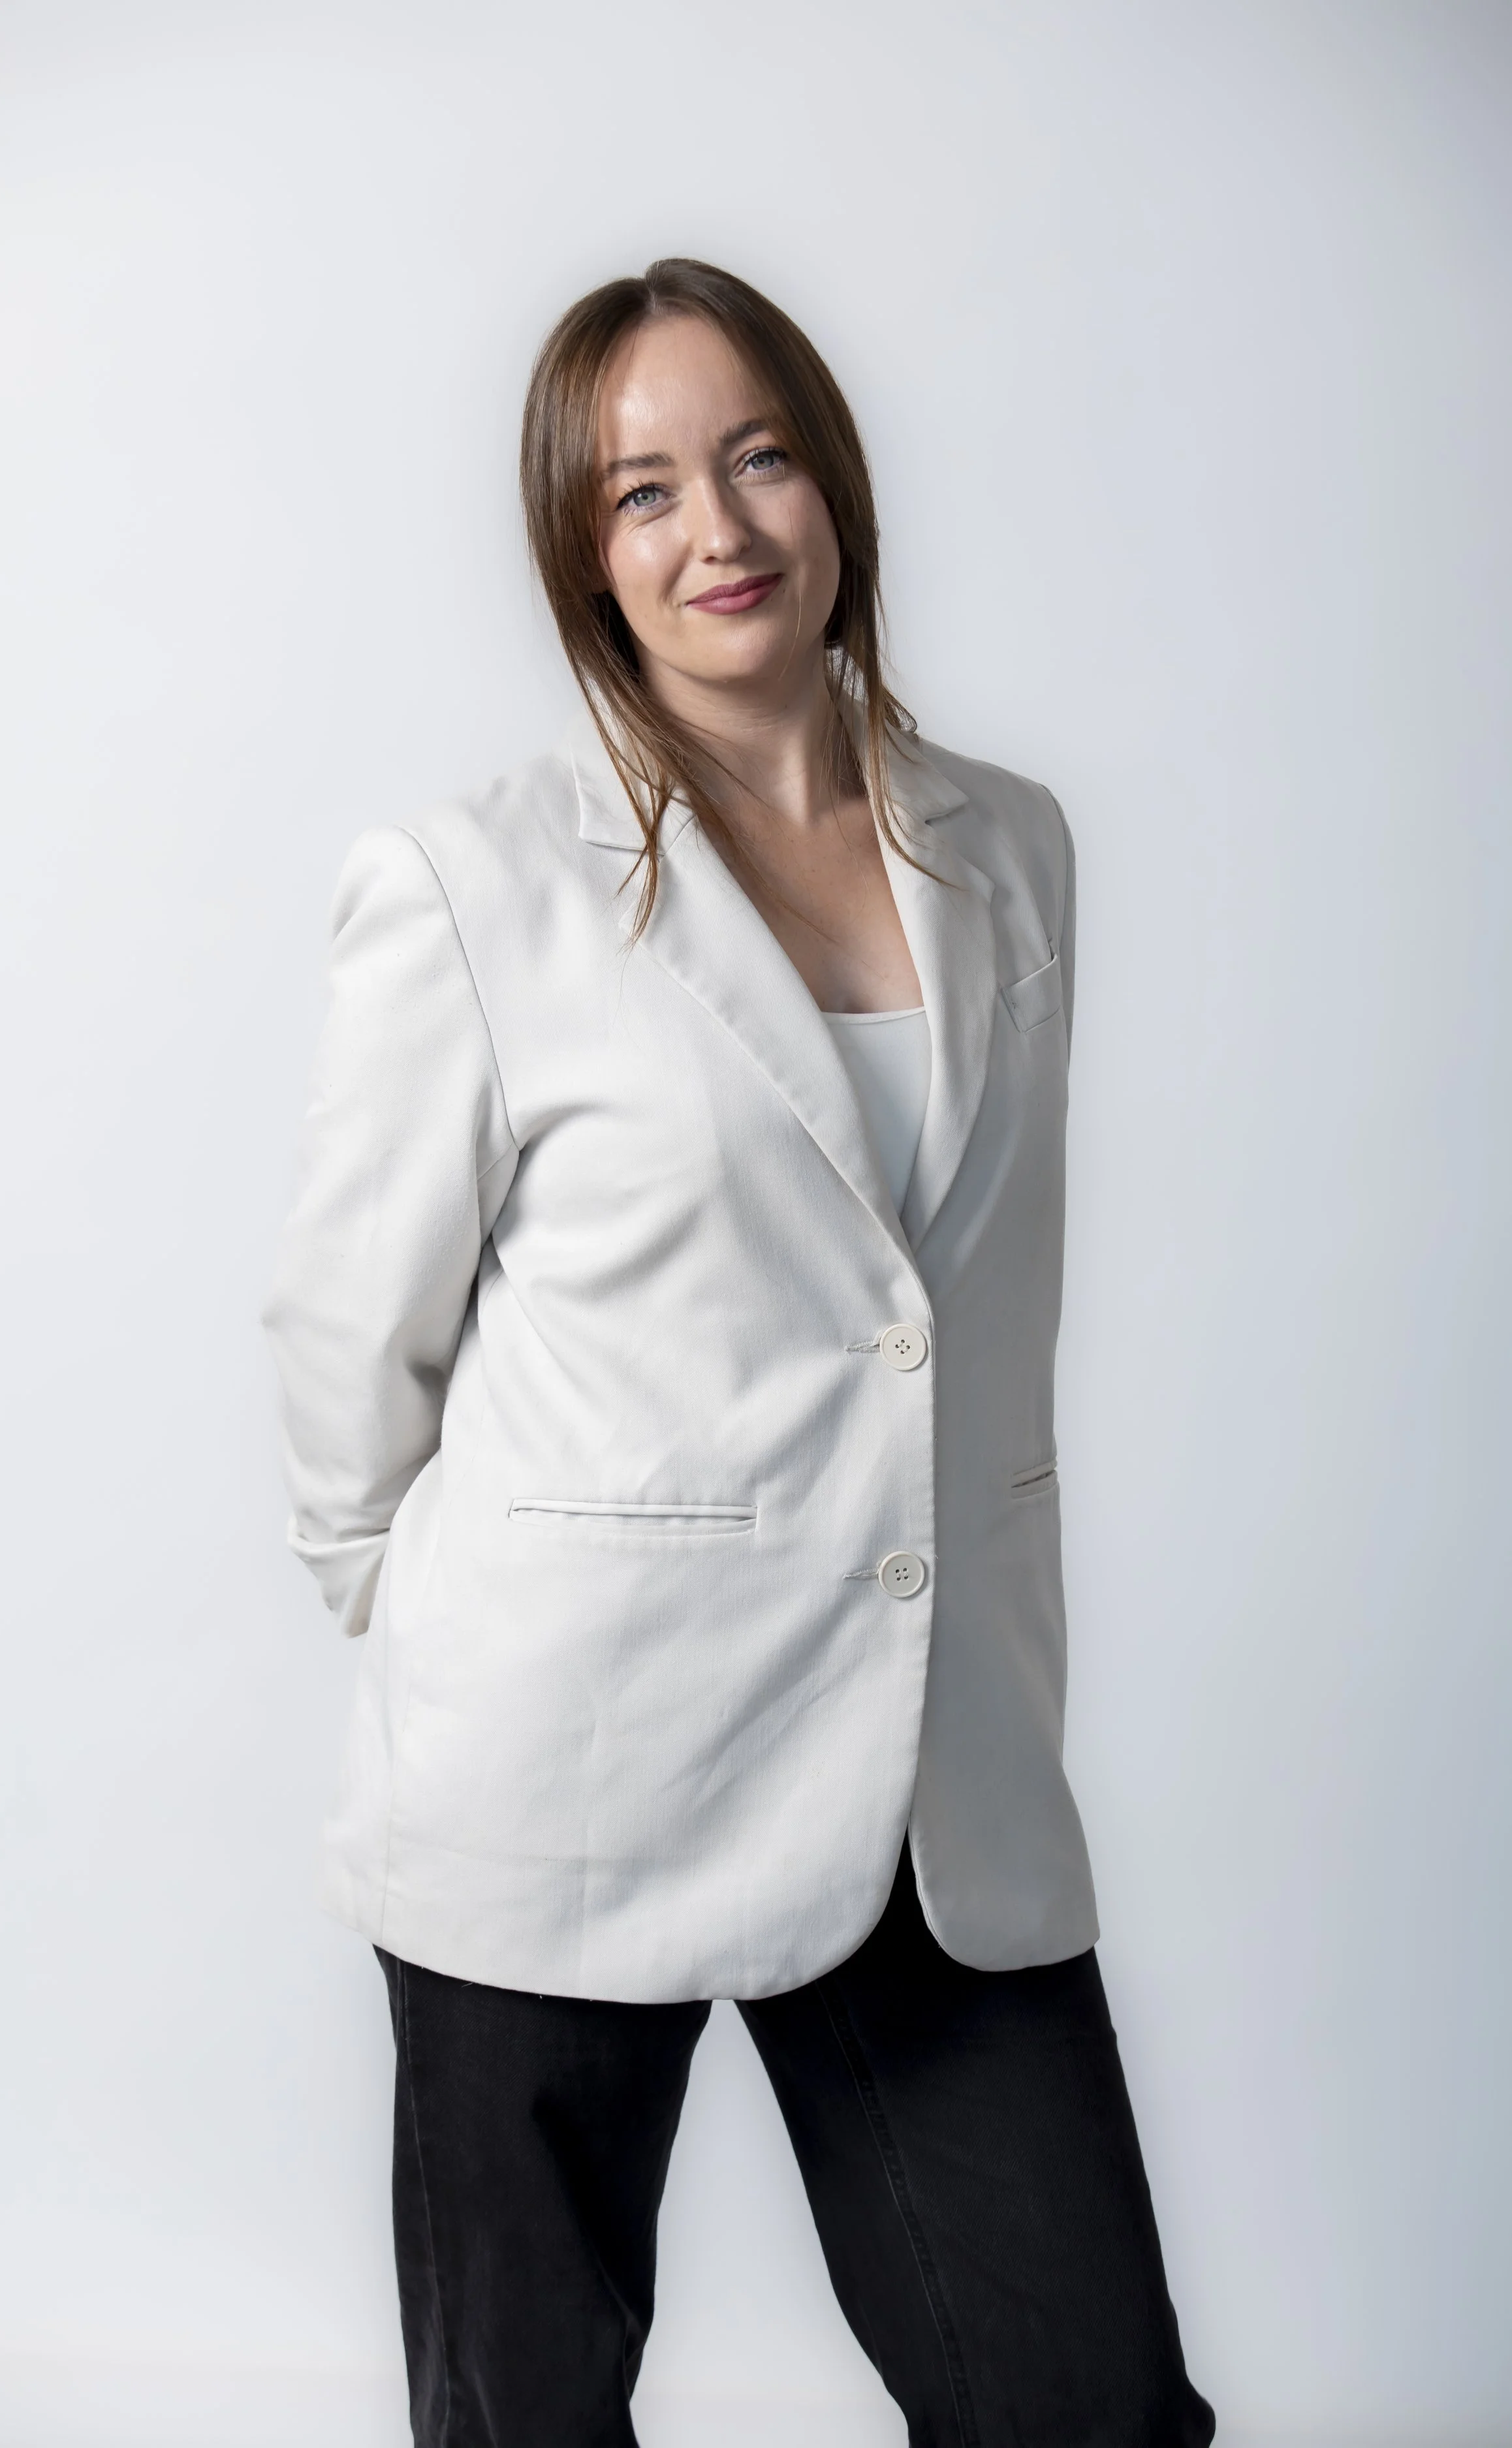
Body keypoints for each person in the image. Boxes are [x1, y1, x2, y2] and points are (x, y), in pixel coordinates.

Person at [264, 257, 1215, 2448]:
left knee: (1081, 2403)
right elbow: (348, 1332)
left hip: (928, 1773)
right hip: (559, 1761)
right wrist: (431, 1617)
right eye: (641, 493)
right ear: (578, 553)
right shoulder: (473, 884)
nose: (721, 530)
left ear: (832, 478)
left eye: (759, 454)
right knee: (528, 2417)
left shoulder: (1012, 849)